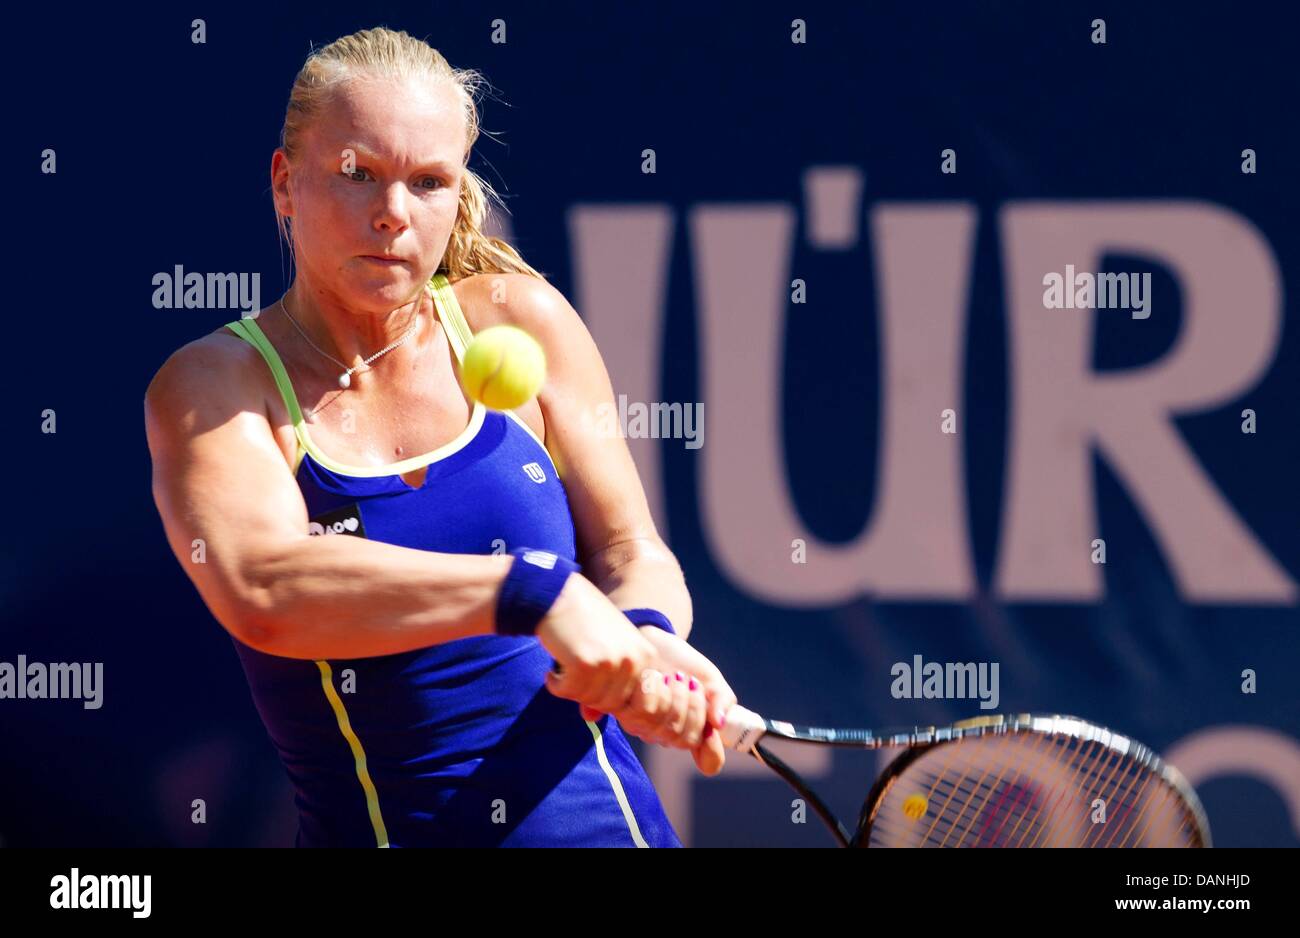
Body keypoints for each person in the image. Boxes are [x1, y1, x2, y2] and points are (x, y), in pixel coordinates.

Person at [144, 26, 735, 847]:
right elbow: (263, 586)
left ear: (460, 196)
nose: (392, 215)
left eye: (428, 182)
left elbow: (633, 550)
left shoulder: (523, 316)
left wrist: (646, 643)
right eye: (358, 174)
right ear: (285, 184)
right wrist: (537, 594)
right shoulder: (214, 385)